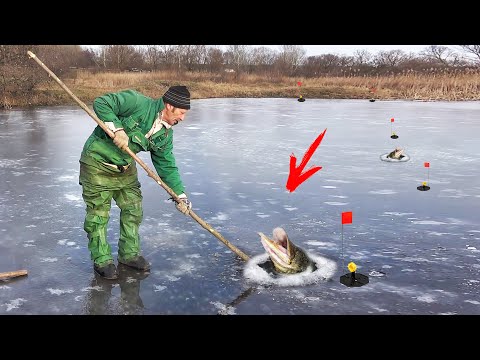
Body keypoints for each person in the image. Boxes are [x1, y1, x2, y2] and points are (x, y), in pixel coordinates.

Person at [79, 86, 192, 280]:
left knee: (133, 210)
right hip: (98, 164)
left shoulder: (165, 134)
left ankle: (128, 255)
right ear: (169, 106)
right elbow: (101, 102)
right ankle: (102, 260)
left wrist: (179, 195)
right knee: (98, 215)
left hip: (126, 168)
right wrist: (118, 129)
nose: (182, 118)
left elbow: (167, 165)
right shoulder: (137, 102)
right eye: (181, 113)